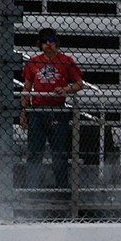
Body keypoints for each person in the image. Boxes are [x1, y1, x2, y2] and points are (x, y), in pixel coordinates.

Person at [19, 27, 84, 190]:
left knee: (59, 152)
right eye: (45, 42)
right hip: (37, 110)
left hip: (57, 110)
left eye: (52, 41)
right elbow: (27, 87)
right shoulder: (33, 62)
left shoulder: (66, 61)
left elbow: (79, 83)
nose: (49, 45)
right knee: (34, 151)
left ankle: (62, 186)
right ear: (40, 44)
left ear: (57, 43)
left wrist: (66, 89)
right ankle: (31, 186)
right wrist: (23, 110)